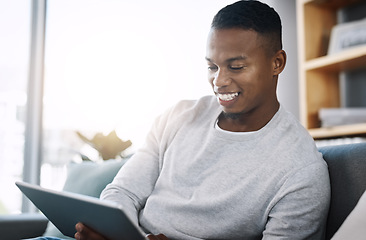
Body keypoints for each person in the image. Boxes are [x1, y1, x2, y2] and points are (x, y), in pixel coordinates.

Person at [34, 1, 331, 239]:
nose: (219, 81)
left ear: (276, 63)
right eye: (212, 66)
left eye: (236, 66)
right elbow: (123, 190)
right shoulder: (179, 116)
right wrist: (111, 231)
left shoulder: (302, 173)